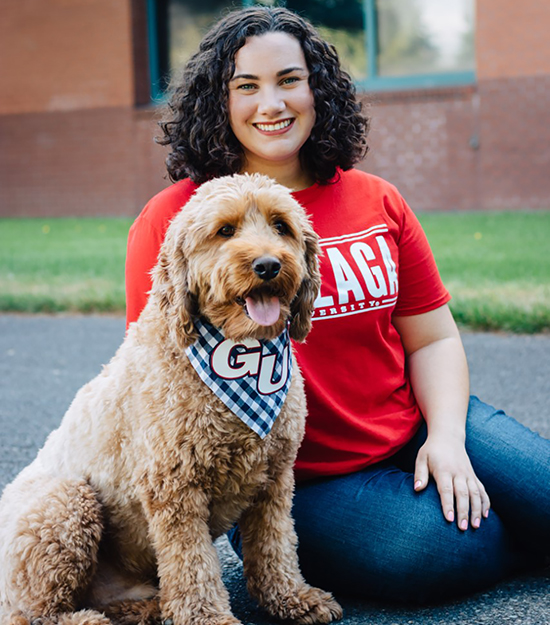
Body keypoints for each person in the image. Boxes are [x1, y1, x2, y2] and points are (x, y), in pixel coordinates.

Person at [125, 6, 550, 604]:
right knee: (445, 548)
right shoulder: (177, 220)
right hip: (306, 480)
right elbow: (154, 378)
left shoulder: (377, 199)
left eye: (289, 80)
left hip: (413, 425)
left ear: (316, 88)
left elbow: (432, 338)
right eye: (246, 86)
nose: (271, 103)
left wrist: (448, 438)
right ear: (218, 101)